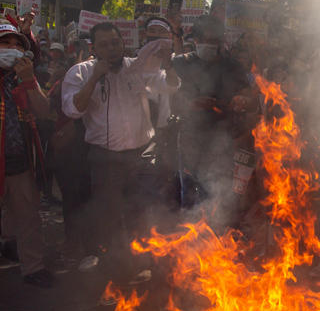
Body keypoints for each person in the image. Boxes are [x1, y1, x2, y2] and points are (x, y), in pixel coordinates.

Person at [62, 22, 180, 269]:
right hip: (106, 158)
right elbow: (73, 110)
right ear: (94, 48)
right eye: (103, 44)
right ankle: (116, 268)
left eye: (115, 42)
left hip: (143, 154)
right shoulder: (79, 73)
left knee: (147, 208)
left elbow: (169, 85)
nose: (111, 49)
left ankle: (149, 263)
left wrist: (167, 65)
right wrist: (95, 77)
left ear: (123, 42)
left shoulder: (137, 67)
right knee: (110, 215)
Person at [171, 15, 257, 229]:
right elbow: (173, 105)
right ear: (196, 40)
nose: (213, 46)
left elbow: (249, 98)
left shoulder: (232, 65)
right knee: (190, 194)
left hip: (223, 142)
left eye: (217, 41)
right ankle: (189, 241)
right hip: (191, 140)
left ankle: (218, 240)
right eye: (207, 41)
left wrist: (244, 101)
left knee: (219, 193)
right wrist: (193, 104)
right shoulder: (182, 63)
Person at [0, 20, 52, 287]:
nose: (11, 49)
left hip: (20, 163)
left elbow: (43, 112)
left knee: (29, 217)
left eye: (16, 45)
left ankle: (33, 268)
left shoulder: (23, 79)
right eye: (5, 44)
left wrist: (29, 80)